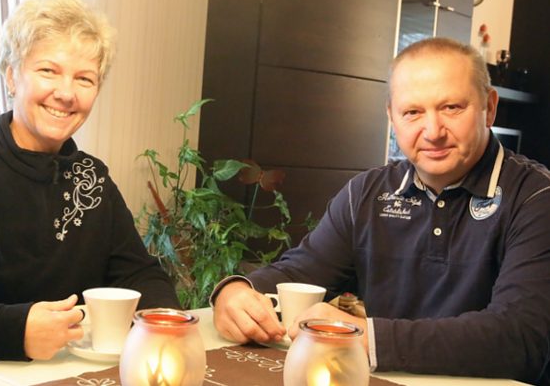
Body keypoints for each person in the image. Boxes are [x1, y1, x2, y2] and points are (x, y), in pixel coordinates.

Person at [212, 37, 550, 386]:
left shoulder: (536, 197)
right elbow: (302, 271)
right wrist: (235, 291)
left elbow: (521, 338)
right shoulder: (366, 194)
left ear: (489, 108)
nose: (432, 132)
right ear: (392, 117)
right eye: (413, 112)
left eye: (451, 107)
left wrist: (369, 337)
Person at [0, 0, 181, 362]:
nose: (66, 93)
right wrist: (12, 330)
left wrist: (162, 325)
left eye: (84, 79)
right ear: (11, 75)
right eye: (48, 71)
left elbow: (141, 276)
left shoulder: (93, 179)